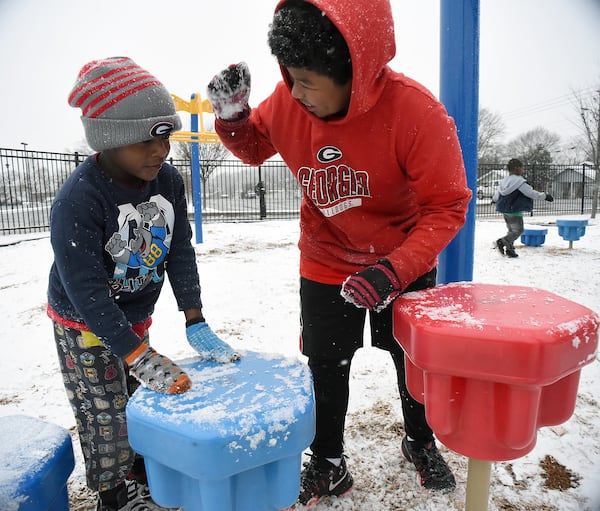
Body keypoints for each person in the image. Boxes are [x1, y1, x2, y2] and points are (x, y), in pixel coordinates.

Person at [206, 0, 471, 506]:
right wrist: (235, 119)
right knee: (325, 364)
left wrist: (394, 270)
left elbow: (447, 205)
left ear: (357, 70)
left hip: (401, 259)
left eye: (307, 81)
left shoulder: (415, 111)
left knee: (411, 360)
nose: (295, 92)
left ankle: (419, 441)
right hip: (326, 258)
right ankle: (328, 459)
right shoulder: (289, 103)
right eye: (289, 78)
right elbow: (256, 147)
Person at [48, 56, 239, 511]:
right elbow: (87, 292)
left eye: (165, 137)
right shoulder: (80, 200)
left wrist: (195, 319)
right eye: (143, 141)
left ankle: (141, 472)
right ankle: (112, 495)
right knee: (105, 411)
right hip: (84, 325)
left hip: (135, 316)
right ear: (109, 138)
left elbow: (178, 250)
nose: (160, 151)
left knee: (139, 401)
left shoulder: (168, 182)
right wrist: (135, 353)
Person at [493, 158, 553, 258]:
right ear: (517, 169)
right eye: (522, 168)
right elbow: (531, 193)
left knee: (511, 231)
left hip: (504, 209)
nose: (523, 170)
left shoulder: (504, 181)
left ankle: (510, 250)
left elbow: (497, 194)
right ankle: (502, 242)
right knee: (518, 231)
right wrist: (545, 196)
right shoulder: (519, 182)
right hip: (514, 210)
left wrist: (494, 200)